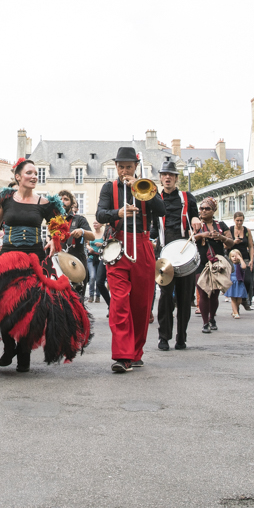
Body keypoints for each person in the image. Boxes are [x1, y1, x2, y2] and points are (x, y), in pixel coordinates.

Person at [0, 158, 90, 372]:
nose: (34, 176)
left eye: (36, 173)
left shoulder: (45, 203)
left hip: (34, 261)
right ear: (18, 176)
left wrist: (54, 240)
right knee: (5, 306)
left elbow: (59, 228)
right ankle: (9, 347)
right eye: (29, 173)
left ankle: (24, 353)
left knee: (30, 309)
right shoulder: (6, 199)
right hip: (7, 260)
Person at [96, 147, 162, 373]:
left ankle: (135, 352)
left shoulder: (147, 185)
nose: (124, 171)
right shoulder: (109, 188)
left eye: (129, 167)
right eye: (121, 167)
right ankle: (123, 355)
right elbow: (100, 214)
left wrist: (142, 188)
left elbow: (161, 210)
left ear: (136, 166)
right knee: (119, 301)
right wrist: (118, 213)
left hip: (142, 244)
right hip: (118, 245)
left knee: (141, 304)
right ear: (116, 167)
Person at [151, 159, 200, 350]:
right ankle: (163, 337)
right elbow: (153, 229)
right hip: (164, 252)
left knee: (184, 297)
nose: (167, 177)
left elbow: (195, 217)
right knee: (164, 297)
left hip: (184, 249)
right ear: (160, 178)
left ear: (176, 178)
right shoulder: (154, 199)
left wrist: (195, 219)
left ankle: (182, 337)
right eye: (164, 174)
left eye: (171, 175)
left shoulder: (188, 198)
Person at [193, 198, 230, 334]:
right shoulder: (196, 224)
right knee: (203, 292)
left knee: (214, 294)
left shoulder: (221, 225)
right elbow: (189, 239)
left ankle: (212, 318)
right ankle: (205, 322)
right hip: (200, 263)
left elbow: (231, 243)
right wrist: (202, 235)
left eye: (207, 209)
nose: (203, 211)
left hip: (216, 263)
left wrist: (221, 238)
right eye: (201, 208)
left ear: (214, 210)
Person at [58, 190, 93, 300]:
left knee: (77, 299)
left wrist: (82, 231)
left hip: (76, 262)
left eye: (66, 199)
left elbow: (92, 236)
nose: (62, 201)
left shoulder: (79, 219)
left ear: (72, 203)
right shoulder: (55, 220)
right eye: (60, 199)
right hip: (59, 263)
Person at [228, 211, 254, 310]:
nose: (239, 223)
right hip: (233, 259)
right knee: (235, 281)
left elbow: (251, 246)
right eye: (237, 220)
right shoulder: (230, 229)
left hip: (244, 258)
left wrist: (252, 260)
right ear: (234, 220)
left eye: (241, 220)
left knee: (247, 280)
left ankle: (244, 299)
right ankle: (235, 308)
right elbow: (225, 244)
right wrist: (233, 242)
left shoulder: (247, 230)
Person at [226, 249, 248, 318]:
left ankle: (235, 309)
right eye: (232, 256)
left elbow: (244, 267)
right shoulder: (230, 265)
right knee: (233, 299)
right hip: (232, 282)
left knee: (239, 299)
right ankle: (235, 313)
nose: (234, 258)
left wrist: (240, 259)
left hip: (239, 282)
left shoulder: (240, 264)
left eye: (236, 256)